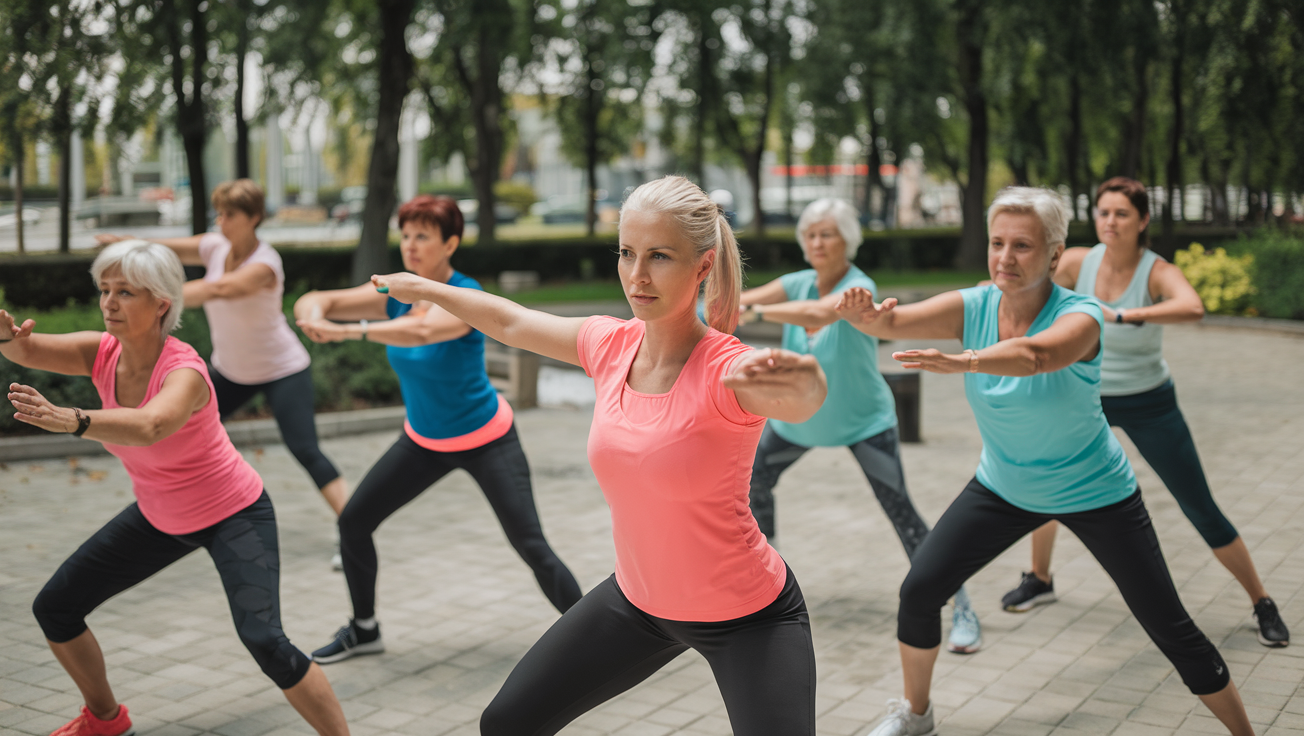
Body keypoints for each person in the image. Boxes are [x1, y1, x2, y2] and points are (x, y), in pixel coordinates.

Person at [372, 176, 828, 735]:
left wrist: (809, 383)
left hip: (748, 617)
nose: (637, 276)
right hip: (640, 604)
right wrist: (429, 288)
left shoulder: (726, 368)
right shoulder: (609, 345)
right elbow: (511, 322)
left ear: (703, 266)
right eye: (627, 253)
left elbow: (798, 403)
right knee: (507, 723)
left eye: (659, 257)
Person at [840, 187, 1254, 736]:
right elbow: (892, 324)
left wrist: (965, 360)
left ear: (1056, 256)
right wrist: (865, 316)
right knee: (919, 590)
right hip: (1002, 488)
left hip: (1096, 494)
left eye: (1023, 246)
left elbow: (1037, 356)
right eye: (997, 243)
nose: (1005, 258)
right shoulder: (975, 304)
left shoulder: (1081, 316)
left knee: (1170, 627)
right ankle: (916, 716)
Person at [0, 240, 349, 736]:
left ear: (162, 302)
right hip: (162, 516)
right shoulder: (100, 351)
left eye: (125, 292)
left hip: (234, 513)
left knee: (266, 642)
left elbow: (150, 426)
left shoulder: (185, 370)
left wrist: (72, 420)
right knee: (55, 608)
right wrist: (4, 337)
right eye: (104, 290)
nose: (109, 303)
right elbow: (27, 348)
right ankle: (105, 720)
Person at [997, 177, 1289, 646]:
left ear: (1143, 220)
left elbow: (1192, 307)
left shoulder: (1155, 271)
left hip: (1150, 402)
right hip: (1086, 398)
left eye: (1122, 214)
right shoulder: (1077, 261)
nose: (1110, 222)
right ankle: (1040, 577)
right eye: (1103, 212)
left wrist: (1126, 315)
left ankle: (1261, 601)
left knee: (1199, 506)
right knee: (1047, 483)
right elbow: (1028, 287)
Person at [293, 194, 582, 663]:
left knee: (531, 545)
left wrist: (348, 332)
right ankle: (364, 630)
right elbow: (318, 298)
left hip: (486, 440)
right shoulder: (391, 293)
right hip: (424, 441)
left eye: (422, 235)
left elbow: (423, 330)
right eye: (405, 234)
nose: (410, 244)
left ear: (450, 243)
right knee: (354, 522)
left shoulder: (463, 294)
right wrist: (313, 314)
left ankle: (594, 641)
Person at [737, 197, 981, 653]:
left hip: (863, 423)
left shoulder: (858, 288)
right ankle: (762, 590)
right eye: (810, 234)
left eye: (827, 233)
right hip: (799, 421)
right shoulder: (795, 282)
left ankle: (962, 606)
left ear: (847, 240)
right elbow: (736, 301)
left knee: (902, 513)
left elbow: (815, 314)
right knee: (754, 486)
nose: (817, 242)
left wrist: (752, 313)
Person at [96, 180, 349, 570]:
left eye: (230, 214)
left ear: (254, 218)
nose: (222, 221)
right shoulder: (215, 245)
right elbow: (164, 248)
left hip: (282, 369)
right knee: (176, 428)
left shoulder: (265, 264)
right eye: (220, 213)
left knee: (305, 449)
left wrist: (154, 297)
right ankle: (177, 514)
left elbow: (221, 289)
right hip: (230, 371)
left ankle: (352, 531)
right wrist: (127, 244)